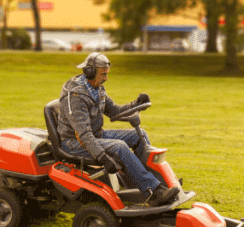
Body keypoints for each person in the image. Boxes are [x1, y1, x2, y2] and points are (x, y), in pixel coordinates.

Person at [56, 52, 179, 206]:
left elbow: (114, 111)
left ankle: (152, 183)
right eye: (103, 74)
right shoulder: (75, 95)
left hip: (95, 135)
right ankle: (153, 191)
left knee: (138, 135)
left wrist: (135, 103)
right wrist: (103, 158)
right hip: (75, 142)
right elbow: (84, 135)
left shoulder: (97, 88)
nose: (106, 78)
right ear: (89, 72)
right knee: (119, 147)